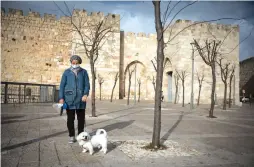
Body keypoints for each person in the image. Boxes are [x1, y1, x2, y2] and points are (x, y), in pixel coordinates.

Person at [59, 55, 90, 144]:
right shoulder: (66, 72)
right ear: (71, 62)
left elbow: (87, 85)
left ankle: (80, 136)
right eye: (73, 63)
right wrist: (61, 97)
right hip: (69, 99)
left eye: (76, 63)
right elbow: (62, 86)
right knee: (70, 119)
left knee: (81, 119)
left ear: (79, 63)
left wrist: (85, 94)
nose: (75, 64)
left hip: (81, 99)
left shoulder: (84, 72)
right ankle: (72, 136)